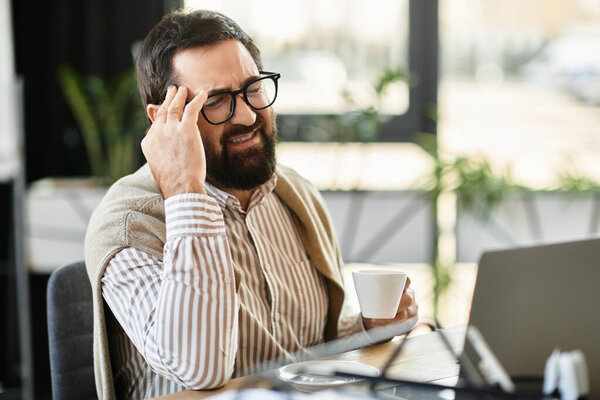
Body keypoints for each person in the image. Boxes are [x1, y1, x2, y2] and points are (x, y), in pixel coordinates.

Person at [84, 9, 418, 399]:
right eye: (216, 100)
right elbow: (200, 368)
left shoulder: (294, 196)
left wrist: (366, 328)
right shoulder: (128, 223)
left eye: (253, 88)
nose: (245, 114)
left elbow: (304, 352)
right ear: (164, 120)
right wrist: (185, 190)